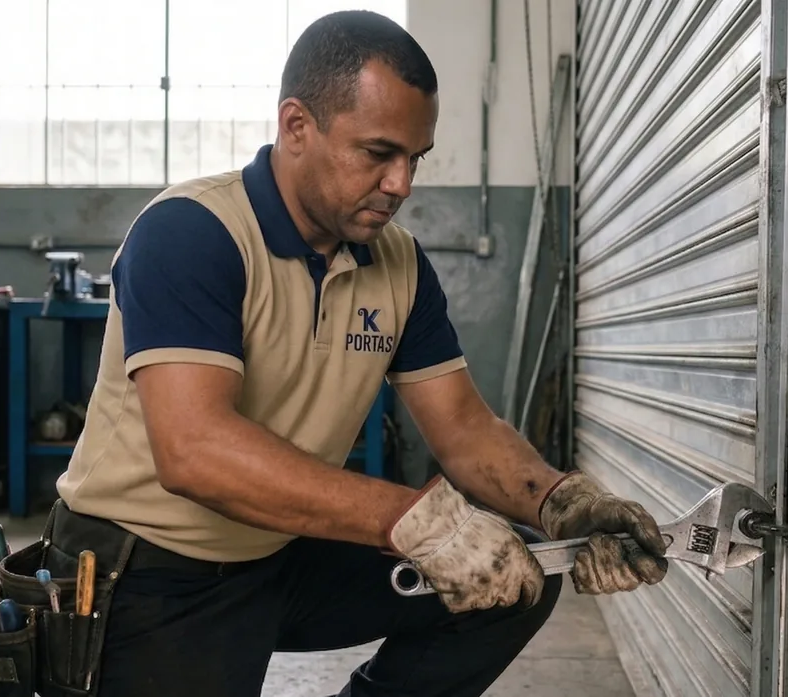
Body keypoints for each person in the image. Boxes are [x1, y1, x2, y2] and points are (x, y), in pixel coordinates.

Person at [45, 9, 668, 697]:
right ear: (295, 127)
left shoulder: (397, 263)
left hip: (277, 548)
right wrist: (414, 519)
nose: (402, 183)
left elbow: (463, 428)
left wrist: (559, 502)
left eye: (415, 158)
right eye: (378, 154)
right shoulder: (192, 233)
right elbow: (196, 451)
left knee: (517, 576)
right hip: (148, 568)